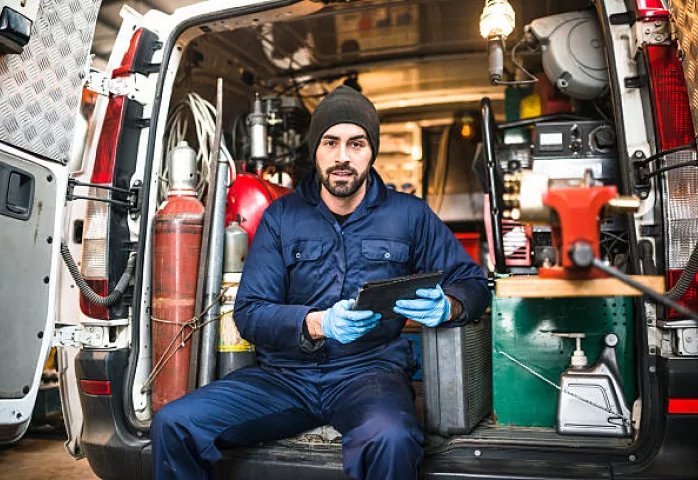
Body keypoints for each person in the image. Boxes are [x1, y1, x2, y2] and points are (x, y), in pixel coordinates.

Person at [150, 85, 489, 480]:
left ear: (371, 151)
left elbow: (473, 282)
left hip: (369, 374)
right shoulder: (281, 218)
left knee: (392, 438)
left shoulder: (409, 216)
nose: (343, 157)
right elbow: (249, 313)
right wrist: (317, 323)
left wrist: (450, 305)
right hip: (284, 377)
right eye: (331, 142)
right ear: (315, 149)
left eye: (357, 143)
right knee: (175, 423)